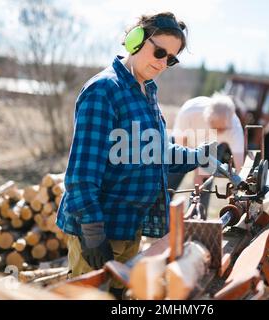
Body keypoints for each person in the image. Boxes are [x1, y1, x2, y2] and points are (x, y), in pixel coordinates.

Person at [56, 12, 218, 299]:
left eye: (171, 58)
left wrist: (201, 156)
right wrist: (93, 234)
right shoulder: (104, 91)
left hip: (129, 226)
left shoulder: (147, 92)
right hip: (99, 230)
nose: (162, 62)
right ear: (135, 40)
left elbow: (157, 151)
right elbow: (81, 174)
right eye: (159, 51)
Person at [168, 94, 245, 208]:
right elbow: (180, 145)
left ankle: (197, 220)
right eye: (215, 127)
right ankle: (160, 212)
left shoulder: (235, 127)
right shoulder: (189, 111)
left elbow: (240, 165)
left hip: (211, 148)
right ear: (207, 116)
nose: (218, 132)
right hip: (185, 142)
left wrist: (241, 184)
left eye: (222, 129)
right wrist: (192, 162)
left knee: (203, 186)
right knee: (170, 176)